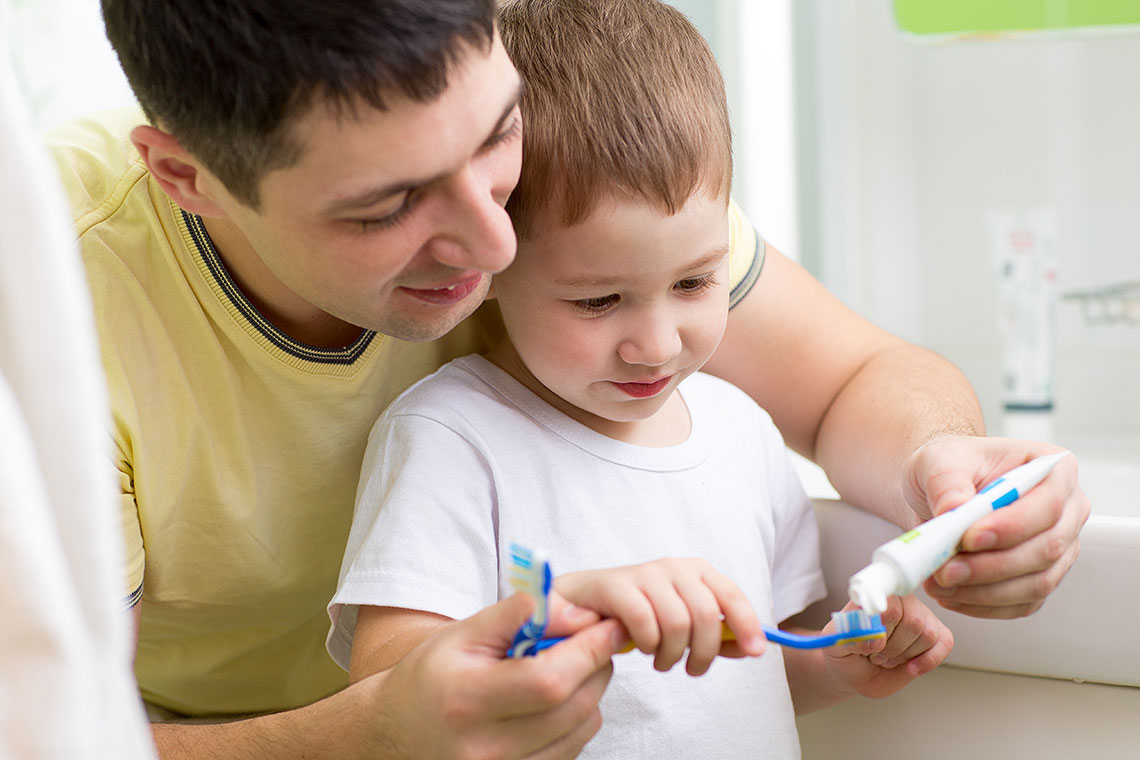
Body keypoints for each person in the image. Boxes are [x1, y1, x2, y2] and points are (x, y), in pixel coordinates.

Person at [46, 0, 1084, 756]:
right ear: (184, 177)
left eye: (499, 140)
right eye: (388, 207)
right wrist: (383, 730)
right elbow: (55, 738)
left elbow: (864, 377)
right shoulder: (49, 309)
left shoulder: (576, 187)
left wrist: (941, 473)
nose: (499, 239)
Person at [328, 2, 953, 755]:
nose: (656, 345)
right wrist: (565, 619)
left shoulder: (742, 433)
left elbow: (753, 672)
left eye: (695, 282)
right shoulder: (450, 439)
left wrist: (843, 661)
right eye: (598, 300)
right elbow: (387, 696)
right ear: (488, 258)